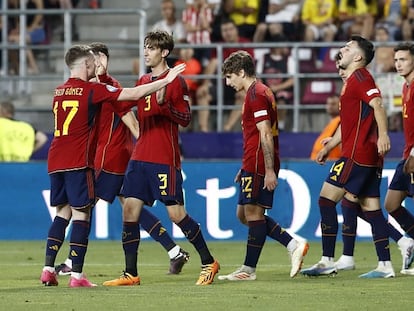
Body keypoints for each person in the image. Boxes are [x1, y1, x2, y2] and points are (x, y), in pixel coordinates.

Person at [39, 44, 185, 287]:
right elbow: (130, 100)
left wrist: (142, 148)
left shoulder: (63, 90)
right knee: (98, 210)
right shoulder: (95, 89)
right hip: (93, 159)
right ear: (87, 63)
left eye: (100, 58)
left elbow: (127, 113)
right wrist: (166, 80)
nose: (96, 63)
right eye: (93, 59)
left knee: (71, 211)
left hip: (80, 159)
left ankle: (54, 267)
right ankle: (76, 272)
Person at [102, 30, 219, 287]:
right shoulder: (144, 79)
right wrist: (104, 77)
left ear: (164, 52)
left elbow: (186, 119)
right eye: (145, 47)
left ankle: (209, 262)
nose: (146, 51)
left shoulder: (176, 81)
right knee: (129, 211)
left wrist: (165, 106)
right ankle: (130, 273)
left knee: (177, 215)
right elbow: (125, 100)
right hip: (139, 156)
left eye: (151, 48)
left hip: (164, 158)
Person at [301, 35, 395, 278]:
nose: (342, 49)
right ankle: (385, 265)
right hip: (366, 156)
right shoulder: (352, 82)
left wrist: (384, 135)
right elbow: (348, 124)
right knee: (371, 208)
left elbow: (378, 105)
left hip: (356, 155)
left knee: (325, 200)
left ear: (358, 57)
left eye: (348, 47)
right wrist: (329, 145)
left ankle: (327, 260)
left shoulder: (361, 77)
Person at [217, 50, 309, 281]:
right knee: (243, 214)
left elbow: (265, 133)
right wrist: (245, 166)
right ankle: (291, 244)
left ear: (241, 72)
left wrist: (268, 170)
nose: (228, 83)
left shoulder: (256, 94)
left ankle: (249, 269)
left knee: (253, 213)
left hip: (259, 162)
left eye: (229, 77)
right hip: (252, 161)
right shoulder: (261, 91)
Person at [384, 42, 414, 275]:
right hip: (407, 155)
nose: (398, 64)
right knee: (391, 204)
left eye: (403, 59)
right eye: (396, 60)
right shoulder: (405, 87)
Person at [196, 17, 253, 132]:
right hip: (222, 83)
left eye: (230, 29)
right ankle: (204, 131)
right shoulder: (218, 46)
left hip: (239, 84)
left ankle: (227, 128)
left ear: (236, 30)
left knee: (243, 96)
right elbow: (213, 64)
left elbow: (248, 67)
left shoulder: (245, 44)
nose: (228, 33)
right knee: (202, 94)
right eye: (225, 31)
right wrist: (205, 85)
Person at [309, 94, 341, 161]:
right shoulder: (332, 123)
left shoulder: (340, 121)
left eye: (333, 104)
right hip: (318, 161)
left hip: (330, 161)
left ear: (340, 105)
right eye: (328, 104)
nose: (330, 106)